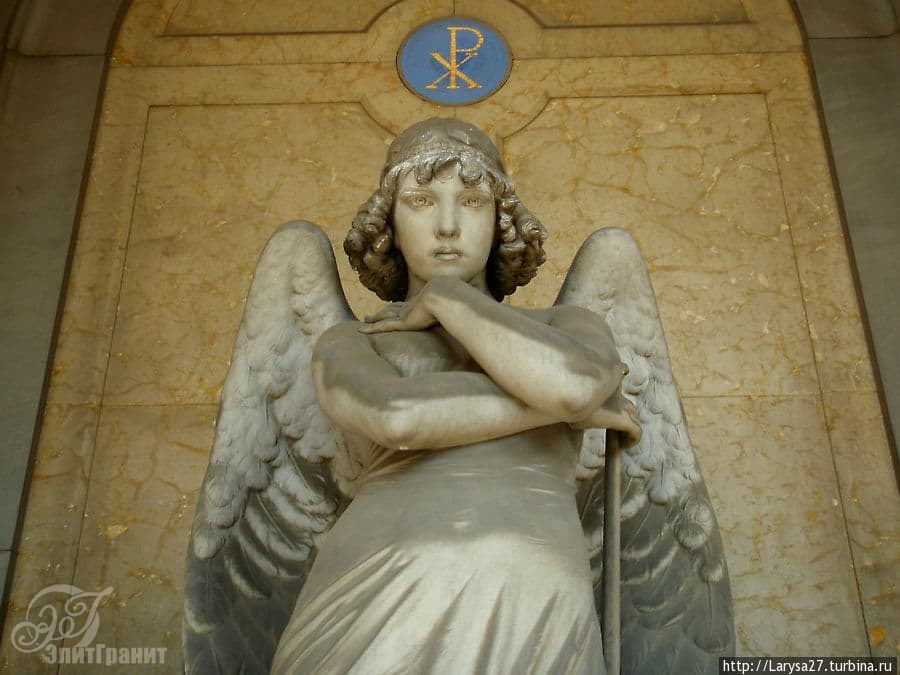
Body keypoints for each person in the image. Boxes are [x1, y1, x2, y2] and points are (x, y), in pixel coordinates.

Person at [269, 118, 639, 674]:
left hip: (534, 606)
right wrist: (564, 406)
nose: (447, 226)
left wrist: (447, 298)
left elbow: (576, 386)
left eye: (471, 201)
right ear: (390, 226)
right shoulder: (353, 339)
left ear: (500, 221)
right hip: (377, 596)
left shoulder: (568, 325)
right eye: (421, 201)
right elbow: (396, 418)